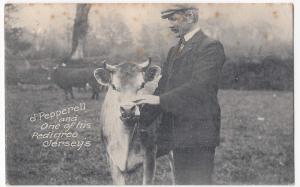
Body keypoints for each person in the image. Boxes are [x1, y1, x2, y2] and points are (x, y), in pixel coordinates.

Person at [132, 5, 226, 184]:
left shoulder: (211, 47)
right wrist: (138, 116)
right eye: (168, 20)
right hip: (177, 133)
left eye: (173, 18)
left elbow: (200, 88)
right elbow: (164, 86)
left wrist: (159, 99)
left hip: (199, 133)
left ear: (190, 16)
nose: (169, 24)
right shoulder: (174, 50)